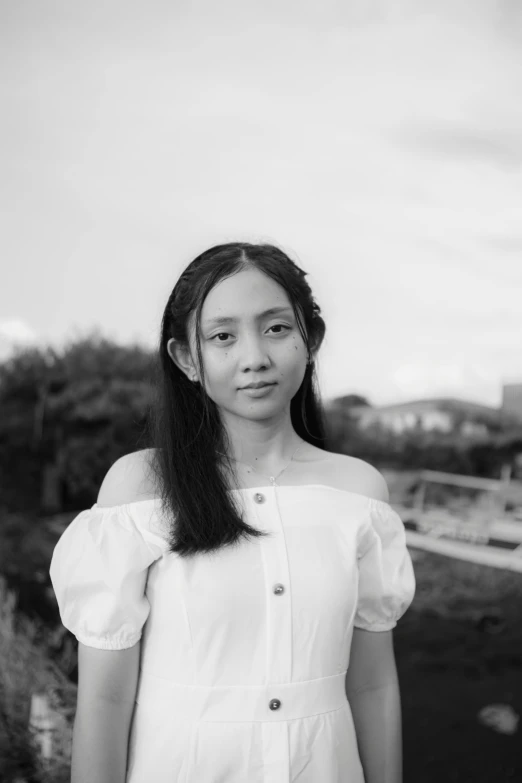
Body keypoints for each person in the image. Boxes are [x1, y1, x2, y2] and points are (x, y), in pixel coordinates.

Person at [49, 242, 416, 783]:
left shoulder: (359, 493)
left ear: (309, 339)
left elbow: (372, 685)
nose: (254, 358)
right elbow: (104, 700)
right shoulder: (139, 489)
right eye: (223, 336)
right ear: (186, 358)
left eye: (276, 329)